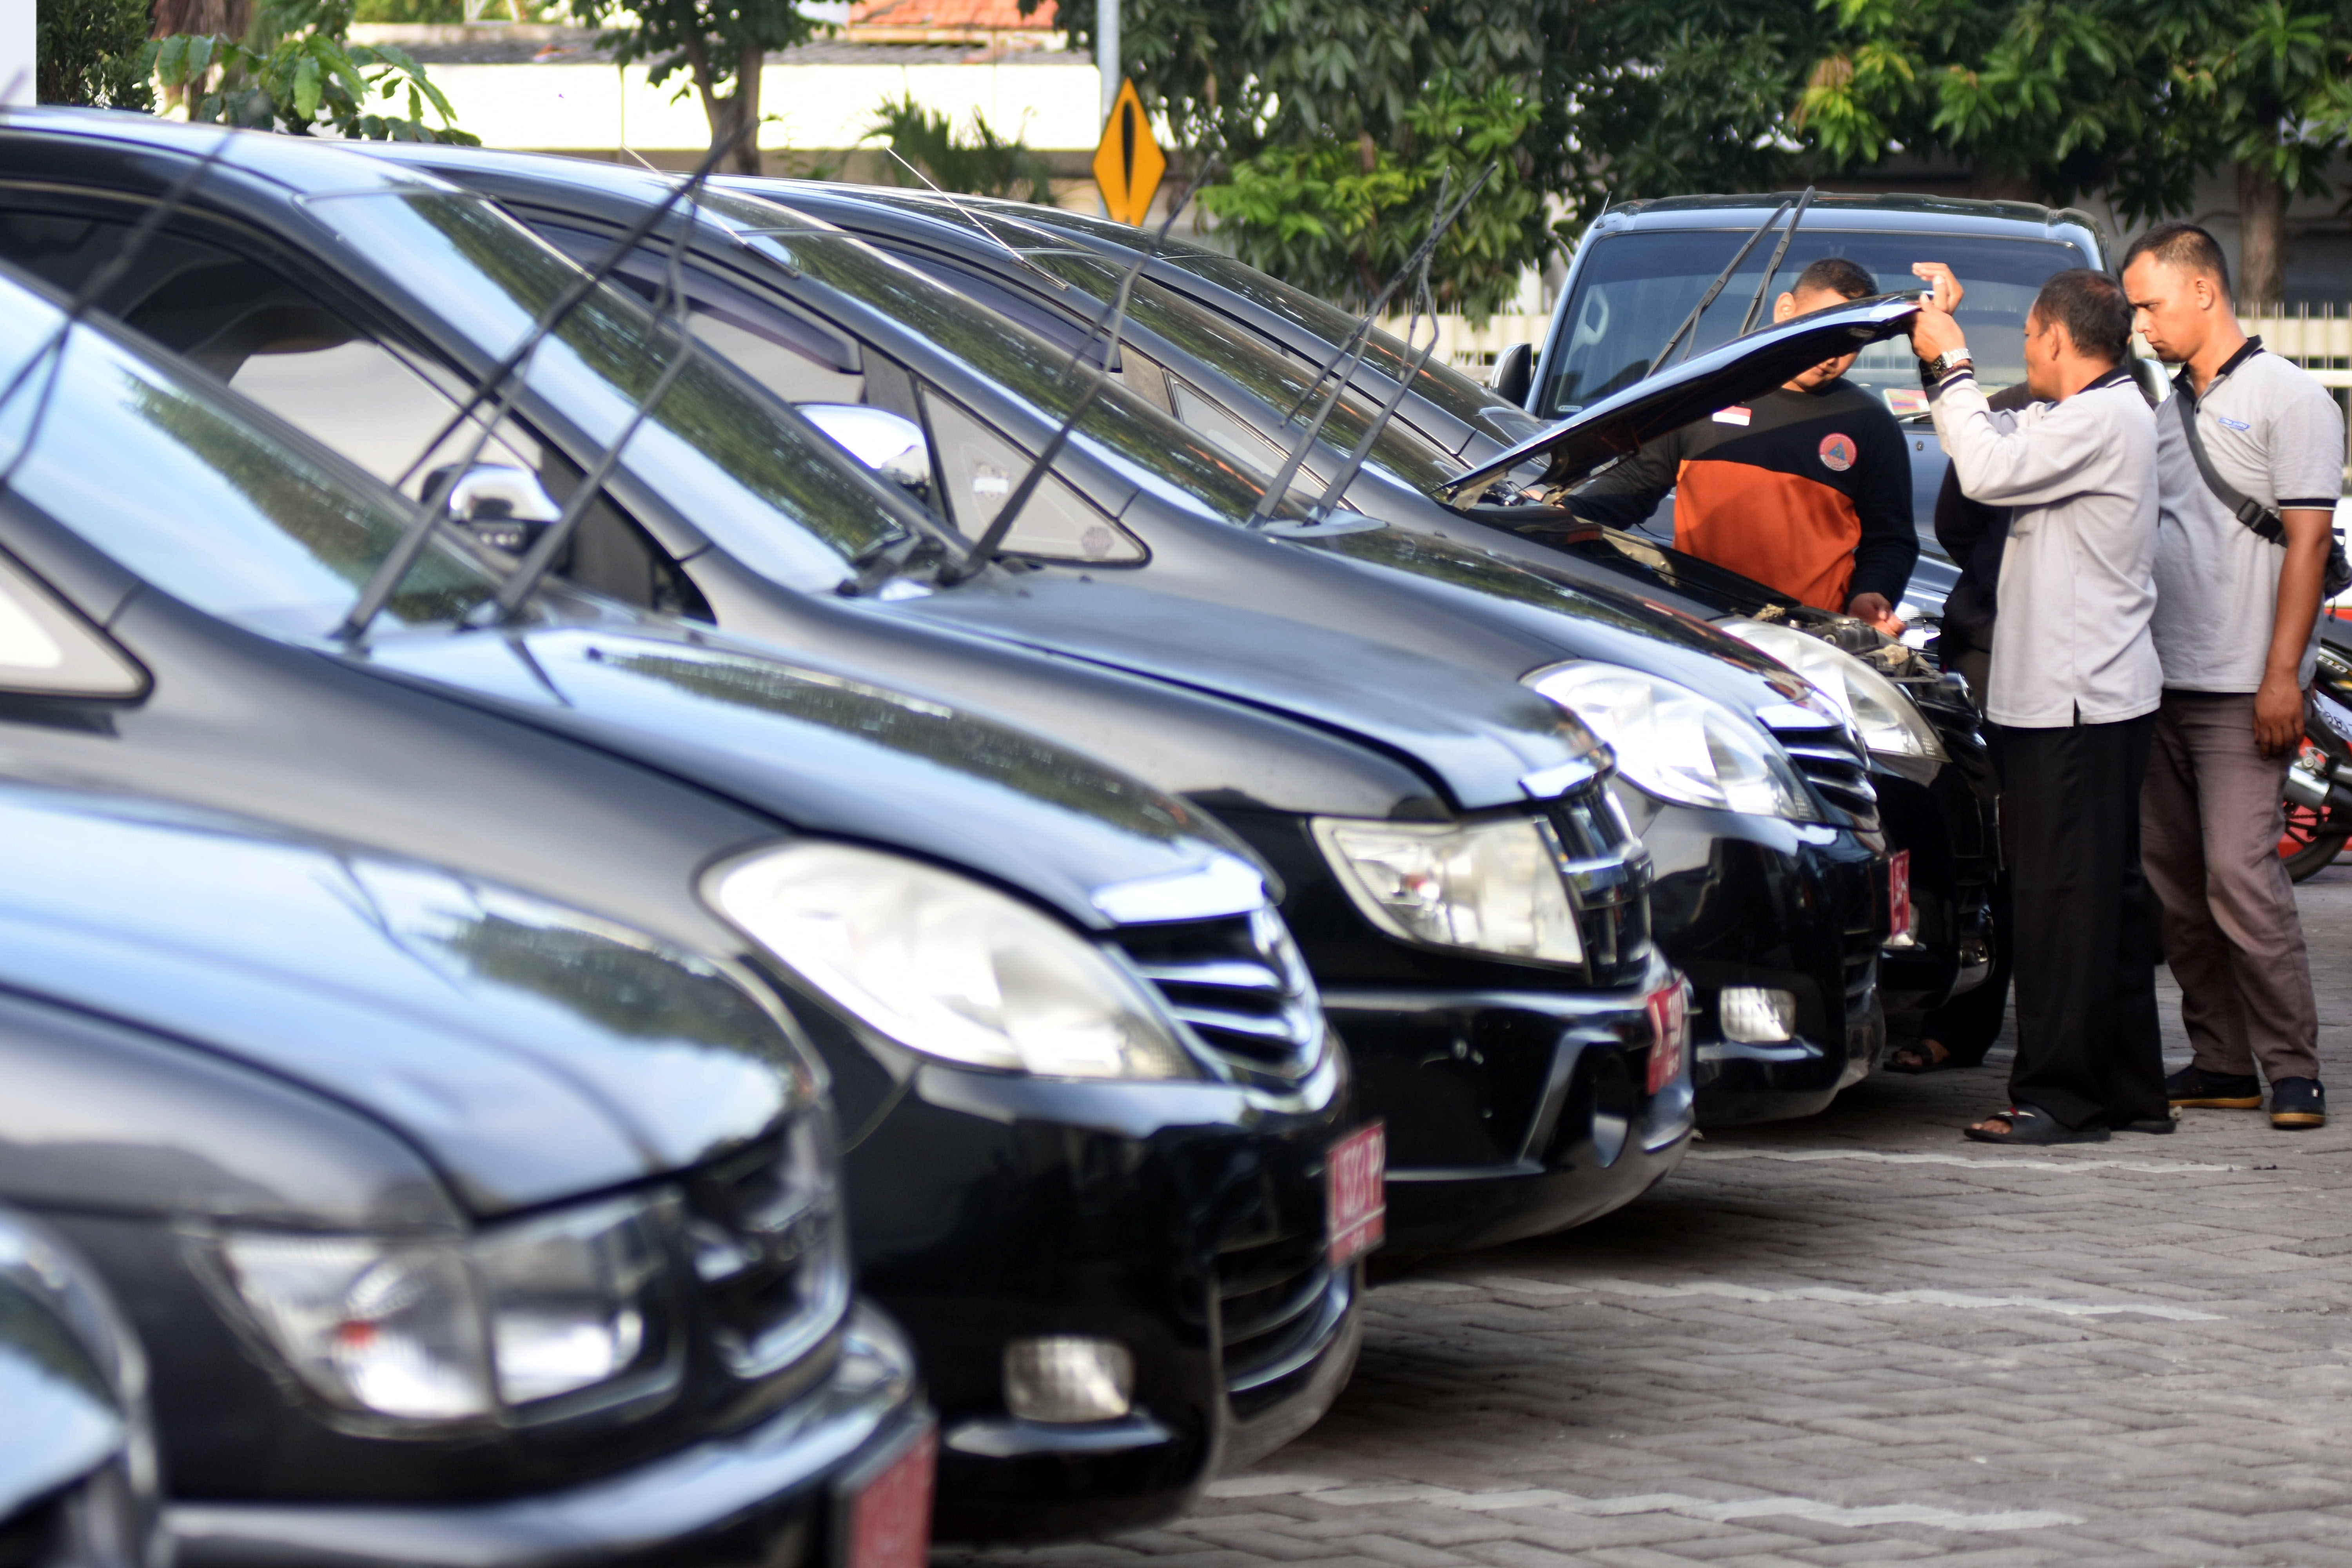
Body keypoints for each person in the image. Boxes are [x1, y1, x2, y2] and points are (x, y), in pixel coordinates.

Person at [1909, 262, 2169, 1144]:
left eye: (2026, 335)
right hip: (2087, 695)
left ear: (2057, 338)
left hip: (2076, 700)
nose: (2022, 349)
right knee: (2106, 897)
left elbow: (1981, 467)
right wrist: (1941, 347)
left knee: (2062, 900)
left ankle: (2060, 1094)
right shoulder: (2095, 412)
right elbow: (1989, 435)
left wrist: (1951, 364)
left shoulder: (2100, 418)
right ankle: (2130, 1086)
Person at [2120, 221, 2340, 1132]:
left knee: (2240, 878)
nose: (2142, 323)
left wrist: (2281, 674)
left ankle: (2292, 1067)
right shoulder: (2159, 407)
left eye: (2150, 302)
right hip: (2156, 685)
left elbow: (2307, 542)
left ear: (2203, 289)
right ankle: (2219, 1061)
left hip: (2244, 689)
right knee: (2173, 886)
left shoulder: (2292, 399)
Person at [1573, 256, 1916, 632]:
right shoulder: (1703, 398)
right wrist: (1558, 517)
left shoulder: (1871, 424)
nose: (1832, 355)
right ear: (1786, 309)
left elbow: (1891, 541)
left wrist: (1871, 594)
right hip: (1702, 624)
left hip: (1812, 639)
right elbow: (1632, 486)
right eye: (1825, 331)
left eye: (1850, 342)